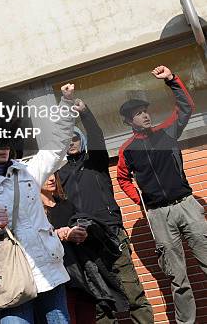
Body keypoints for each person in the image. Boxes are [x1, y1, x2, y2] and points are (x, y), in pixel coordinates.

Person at [0, 83, 78, 324]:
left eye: (7, 141)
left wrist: (65, 105)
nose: (5, 147)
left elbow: (56, 147)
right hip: (10, 281)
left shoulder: (27, 170)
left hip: (48, 273)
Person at [117, 64, 207, 324]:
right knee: (177, 279)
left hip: (186, 206)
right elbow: (122, 178)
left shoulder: (167, 132)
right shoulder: (127, 149)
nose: (144, 115)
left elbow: (186, 107)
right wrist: (140, 201)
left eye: (145, 111)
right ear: (128, 121)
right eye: (138, 114)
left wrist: (171, 80)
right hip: (158, 216)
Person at [58, 99, 153, 324]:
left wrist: (85, 112)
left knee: (133, 294)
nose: (71, 143)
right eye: (65, 140)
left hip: (111, 235)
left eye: (74, 138)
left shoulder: (96, 161)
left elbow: (96, 136)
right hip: (84, 242)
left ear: (80, 140)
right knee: (100, 303)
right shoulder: (59, 175)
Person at [41, 173, 128, 324]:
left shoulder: (66, 205)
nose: (52, 179)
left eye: (54, 174)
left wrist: (84, 232)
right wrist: (59, 235)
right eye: (46, 175)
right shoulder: (35, 214)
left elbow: (84, 227)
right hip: (60, 281)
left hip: (83, 277)